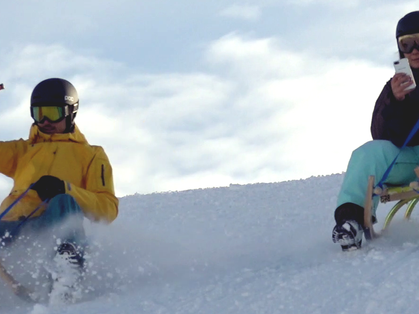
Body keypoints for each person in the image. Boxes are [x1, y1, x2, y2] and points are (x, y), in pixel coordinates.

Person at [0, 78, 118, 300]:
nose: (44, 121)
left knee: (63, 201)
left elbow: (107, 210)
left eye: (52, 113)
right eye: (38, 113)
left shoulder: (91, 155)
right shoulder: (22, 150)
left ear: (70, 112)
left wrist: (66, 188)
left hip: (51, 225)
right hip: (12, 227)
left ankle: (66, 269)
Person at [332, 11, 419, 251]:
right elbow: (382, 135)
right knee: (368, 153)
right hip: (411, 159)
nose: (414, 50)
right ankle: (351, 222)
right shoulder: (396, 87)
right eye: (407, 43)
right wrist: (396, 101)